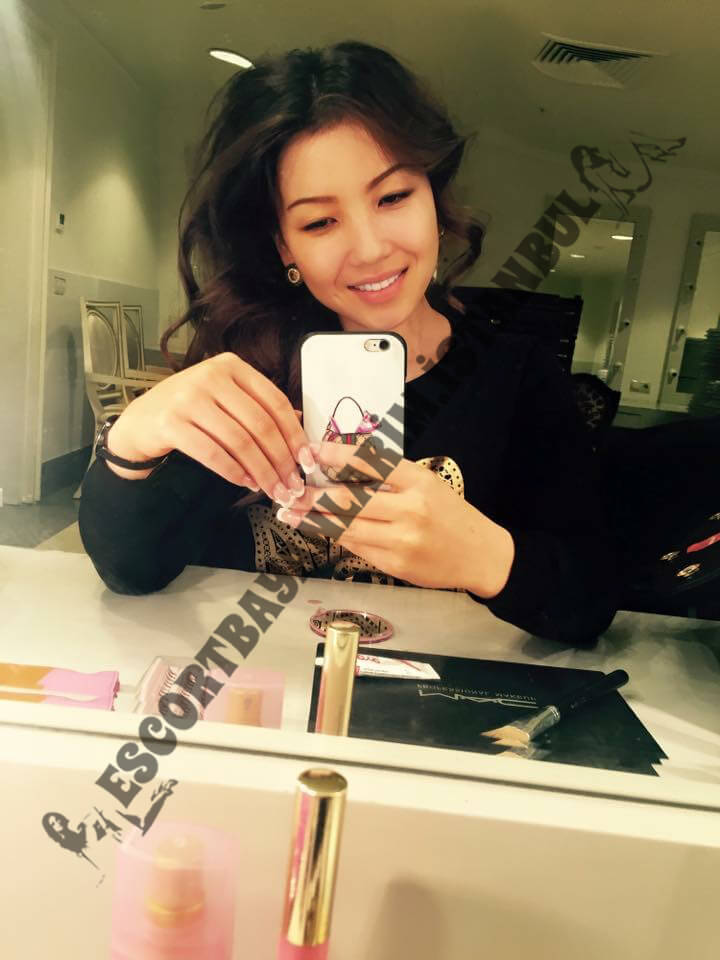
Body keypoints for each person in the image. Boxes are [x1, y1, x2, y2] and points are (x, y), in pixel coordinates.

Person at [78, 40, 621, 647]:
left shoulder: (517, 376)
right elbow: (131, 569)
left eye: (393, 197)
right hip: (258, 681)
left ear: (434, 200)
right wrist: (131, 441)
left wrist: (486, 557)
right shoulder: (247, 369)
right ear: (284, 246)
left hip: (429, 697)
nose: (369, 249)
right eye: (319, 222)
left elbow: (589, 600)